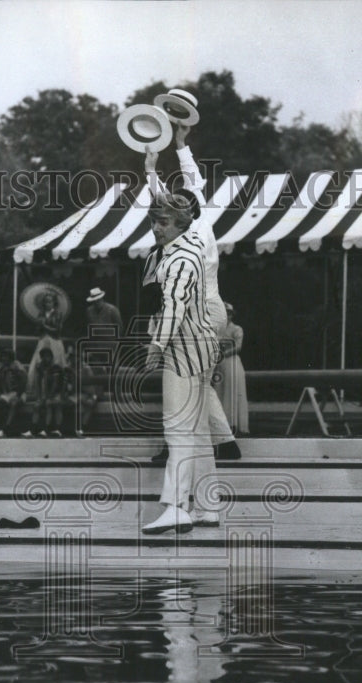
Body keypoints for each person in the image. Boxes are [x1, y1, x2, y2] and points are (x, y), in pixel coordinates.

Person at [144, 124, 242, 464]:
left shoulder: (187, 238)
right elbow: (190, 184)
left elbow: (174, 197)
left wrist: (152, 171)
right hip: (209, 310)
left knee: (181, 378)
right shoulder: (202, 224)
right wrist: (176, 149)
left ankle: (179, 444)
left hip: (195, 312)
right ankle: (225, 442)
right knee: (196, 382)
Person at [140, 191, 220, 534]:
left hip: (184, 348)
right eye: (154, 222)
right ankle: (207, 506)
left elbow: (174, 306)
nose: (157, 229)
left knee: (178, 429)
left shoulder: (179, 259)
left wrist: (157, 344)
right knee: (198, 432)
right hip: (199, 347)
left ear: (180, 223)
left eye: (163, 222)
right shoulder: (184, 252)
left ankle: (176, 506)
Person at [214, 303, 250, 435]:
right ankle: (222, 424)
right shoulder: (217, 330)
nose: (226, 315)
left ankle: (234, 423)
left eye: (228, 313)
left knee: (232, 390)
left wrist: (224, 353)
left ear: (231, 314)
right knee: (220, 391)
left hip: (232, 362)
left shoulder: (237, 329)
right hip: (220, 363)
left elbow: (238, 347)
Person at [0, 347, 27, 437]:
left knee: (13, 404)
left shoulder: (17, 366)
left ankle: (5, 428)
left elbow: (23, 383)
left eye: (6, 357)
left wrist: (18, 395)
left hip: (17, 392)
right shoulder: (2, 366)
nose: (3, 358)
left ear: (10, 357)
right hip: (7, 393)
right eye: (2, 357)